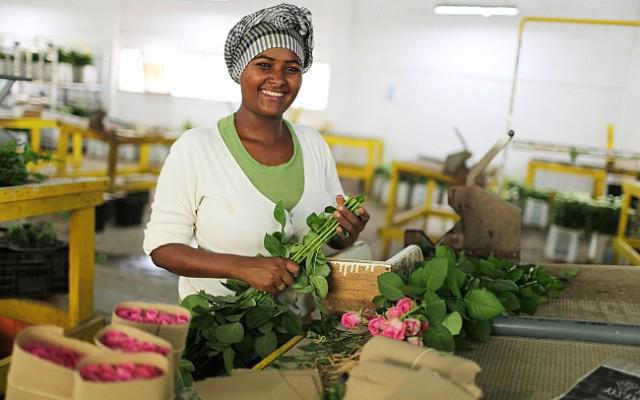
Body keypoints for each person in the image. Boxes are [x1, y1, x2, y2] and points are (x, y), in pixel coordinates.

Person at [143, 3, 370, 302]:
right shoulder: (197, 147)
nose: (278, 79)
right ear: (241, 71)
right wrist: (242, 267)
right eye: (264, 65)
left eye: (291, 69)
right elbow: (163, 248)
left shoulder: (313, 144)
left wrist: (346, 234)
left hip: (297, 329)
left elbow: (330, 237)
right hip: (217, 332)